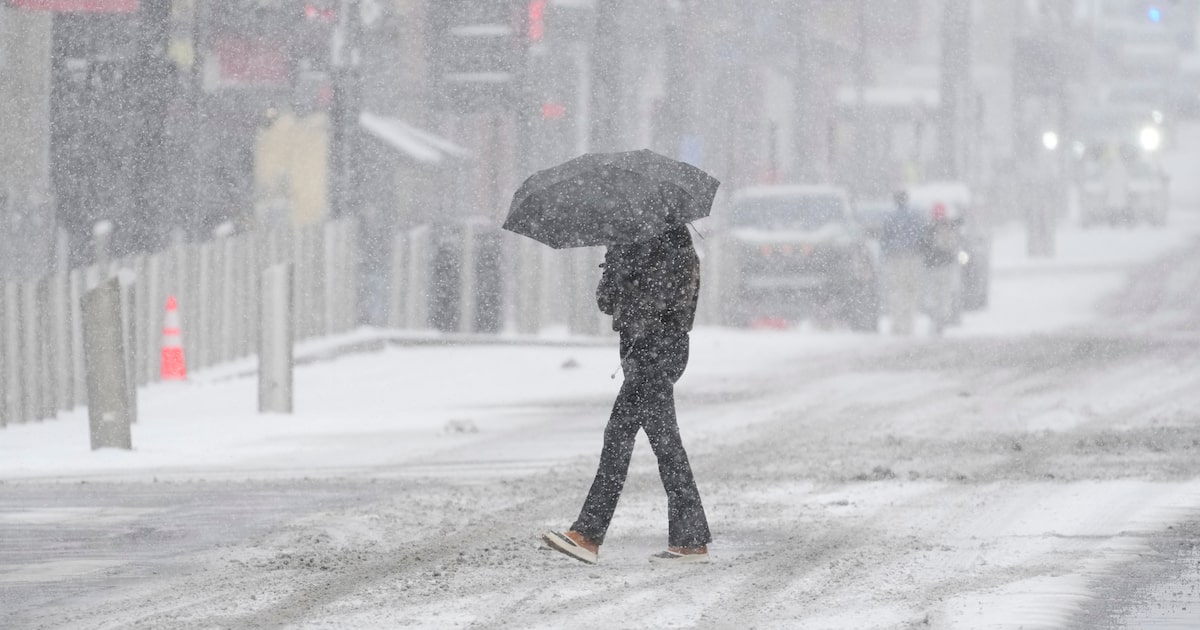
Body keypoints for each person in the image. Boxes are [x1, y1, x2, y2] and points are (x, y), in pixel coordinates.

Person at [542, 223, 712, 565]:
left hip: (657, 352)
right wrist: (615, 266)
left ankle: (589, 534)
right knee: (649, 442)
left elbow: (665, 302)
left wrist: (629, 273)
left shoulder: (674, 243)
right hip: (640, 353)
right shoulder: (629, 241)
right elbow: (607, 302)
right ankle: (688, 539)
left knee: (636, 441)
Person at [879, 190, 925, 335]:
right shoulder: (915, 216)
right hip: (912, 257)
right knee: (910, 291)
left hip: (894, 257)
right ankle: (909, 324)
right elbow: (921, 236)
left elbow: (885, 238)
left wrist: (884, 254)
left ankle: (897, 324)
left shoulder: (890, 217)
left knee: (895, 290)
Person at [919, 202, 962, 335]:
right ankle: (941, 320)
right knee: (945, 294)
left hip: (931, 268)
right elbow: (956, 245)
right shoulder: (950, 227)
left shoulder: (928, 228)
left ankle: (934, 318)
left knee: (932, 294)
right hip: (947, 267)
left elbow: (922, 247)